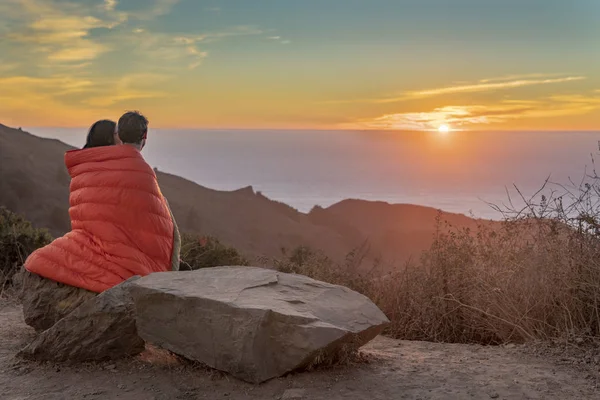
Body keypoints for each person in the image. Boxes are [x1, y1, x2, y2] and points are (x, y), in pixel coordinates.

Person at [21, 112, 180, 332]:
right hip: (120, 251)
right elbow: (158, 226)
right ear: (144, 136)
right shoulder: (138, 169)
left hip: (91, 239)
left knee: (46, 257)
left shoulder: (84, 169)